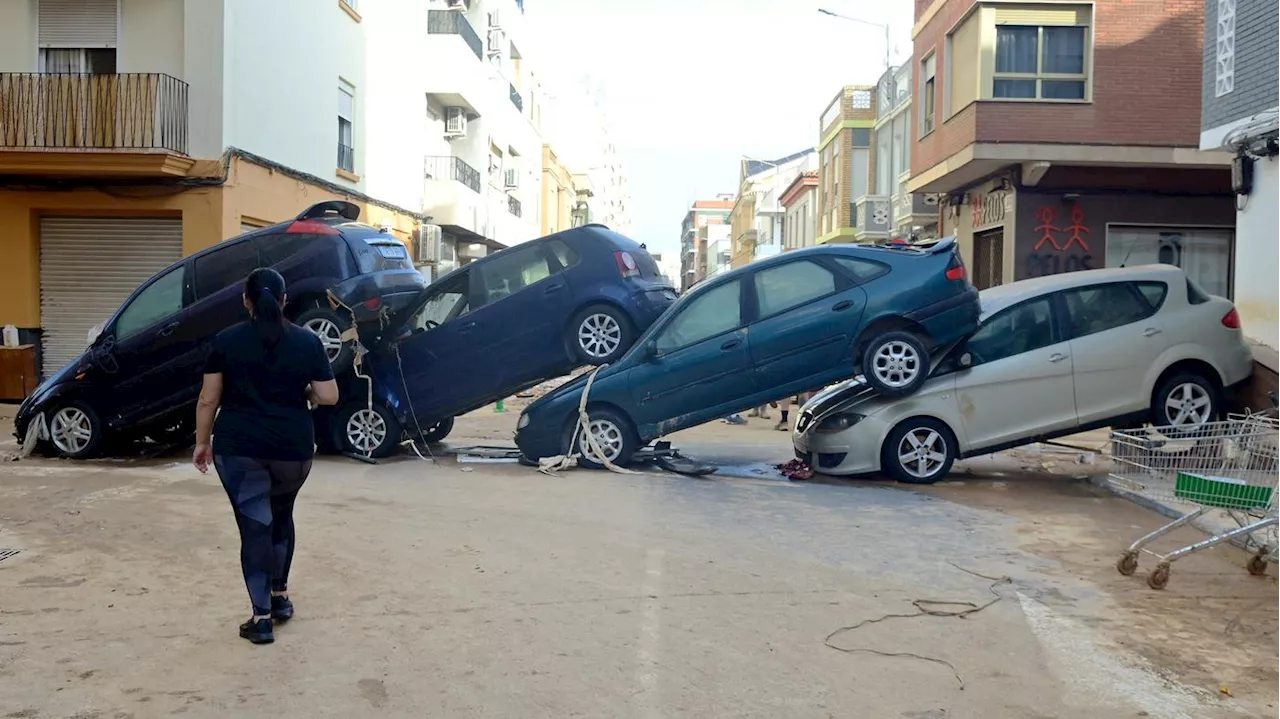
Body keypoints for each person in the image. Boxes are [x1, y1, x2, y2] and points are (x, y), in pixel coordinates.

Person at [193, 268, 339, 645]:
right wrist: (304, 393)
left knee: (254, 526)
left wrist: (201, 441)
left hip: (240, 449)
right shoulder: (308, 342)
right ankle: (280, 598)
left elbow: (209, 398)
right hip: (292, 450)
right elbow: (329, 395)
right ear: (285, 300)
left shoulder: (226, 341)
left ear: (246, 301)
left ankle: (261, 619)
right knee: (281, 516)